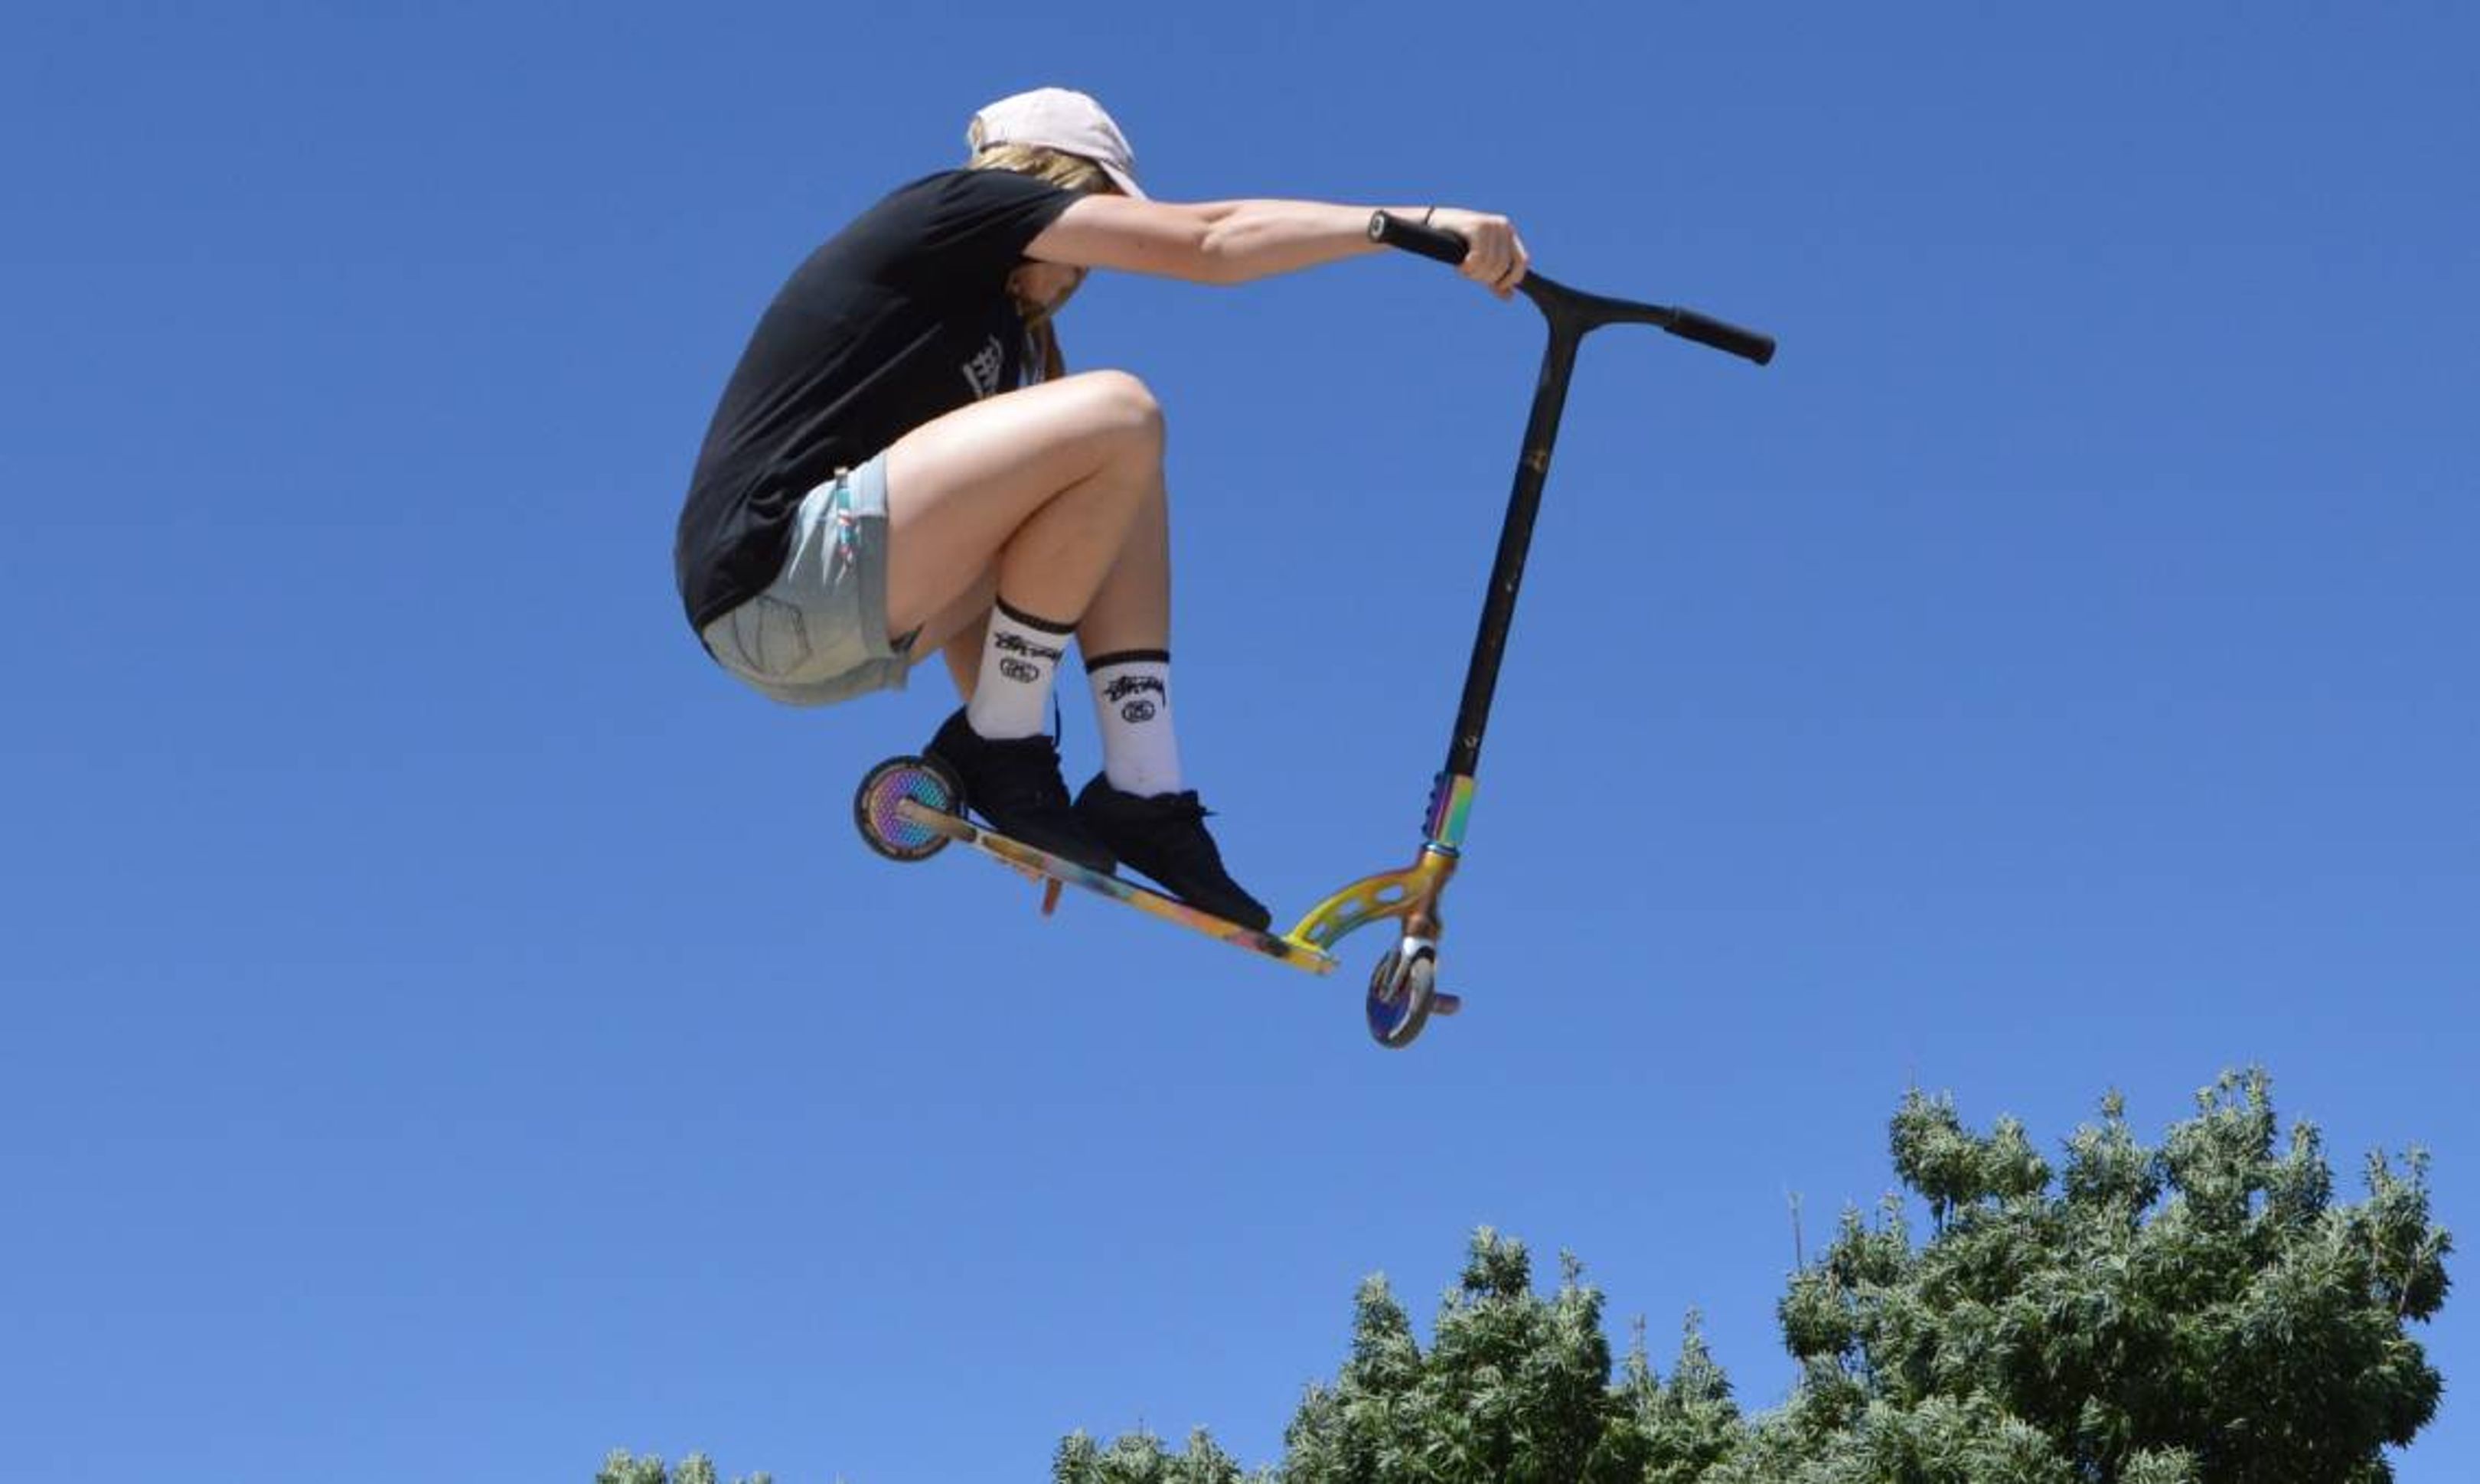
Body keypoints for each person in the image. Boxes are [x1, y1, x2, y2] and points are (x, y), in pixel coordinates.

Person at [675, 86, 1527, 931]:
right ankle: (1003, 748)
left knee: (1125, 468)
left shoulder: (1003, 346)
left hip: (848, 630)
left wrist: (1036, 813)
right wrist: (1412, 225)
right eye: (1096, 223)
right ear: (1054, 182)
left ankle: (1143, 788)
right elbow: (1211, 241)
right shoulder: (957, 208)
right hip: (773, 566)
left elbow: (998, 568)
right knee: (1120, 413)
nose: (1086, 270)